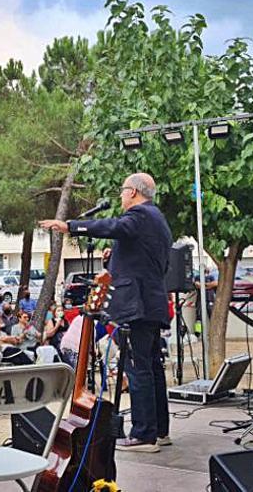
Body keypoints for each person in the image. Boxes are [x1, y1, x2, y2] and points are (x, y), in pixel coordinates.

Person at [41, 172, 172, 452]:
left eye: (124, 190)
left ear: (134, 192)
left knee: (138, 370)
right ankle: (159, 430)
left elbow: (113, 226)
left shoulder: (139, 215)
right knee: (152, 368)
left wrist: (70, 226)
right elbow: (143, 260)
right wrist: (115, 260)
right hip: (150, 303)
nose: (121, 195)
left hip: (136, 305)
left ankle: (143, 435)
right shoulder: (156, 219)